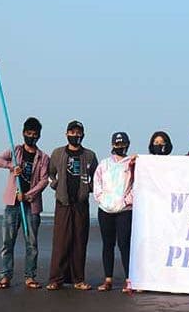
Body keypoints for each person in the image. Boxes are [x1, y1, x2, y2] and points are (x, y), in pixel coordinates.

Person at [0, 117, 50, 290]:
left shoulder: (43, 157)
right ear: (24, 133)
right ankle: (5, 276)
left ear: (39, 136)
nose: (31, 137)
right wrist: (11, 166)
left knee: (31, 243)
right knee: (8, 242)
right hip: (12, 205)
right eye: (29, 133)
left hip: (30, 206)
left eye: (35, 134)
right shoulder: (15, 150)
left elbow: (44, 180)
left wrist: (28, 195)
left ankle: (30, 276)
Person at [46, 120, 99, 291]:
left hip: (81, 204)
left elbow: (97, 178)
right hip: (63, 203)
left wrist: (88, 188)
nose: (76, 135)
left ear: (83, 134)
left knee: (79, 241)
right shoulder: (57, 153)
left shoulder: (90, 155)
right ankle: (56, 279)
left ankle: (78, 279)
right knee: (61, 242)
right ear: (66, 133)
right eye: (72, 132)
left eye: (79, 133)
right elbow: (49, 174)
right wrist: (55, 184)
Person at [94, 132, 137, 293]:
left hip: (124, 210)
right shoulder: (104, 164)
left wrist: (126, 201)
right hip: (105, 210)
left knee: (124, 244)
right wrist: (102, 200)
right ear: (112, 145)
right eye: (117, 144)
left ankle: (129, 279)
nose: (120, 147)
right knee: (108, 244)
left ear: (128, 144)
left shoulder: (131, 163)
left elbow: (136, 184)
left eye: (123, 144)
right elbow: (97, 184)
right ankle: (108, 280)